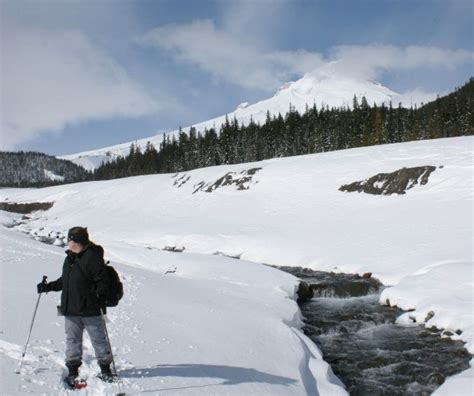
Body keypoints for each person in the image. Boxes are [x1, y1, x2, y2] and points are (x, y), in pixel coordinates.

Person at [37, 226, 115, 386]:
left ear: (77, 241)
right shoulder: (70, 257)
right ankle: (72, 371)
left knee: (99, 340)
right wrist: (48, 287)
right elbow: (66, 280)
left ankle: (106, 370)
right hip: (71, 308)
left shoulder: (92, 257)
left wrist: (101, 296)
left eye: (69, 239)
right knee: (72, 340)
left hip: (91, 308)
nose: (67, 242)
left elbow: (103, 281)